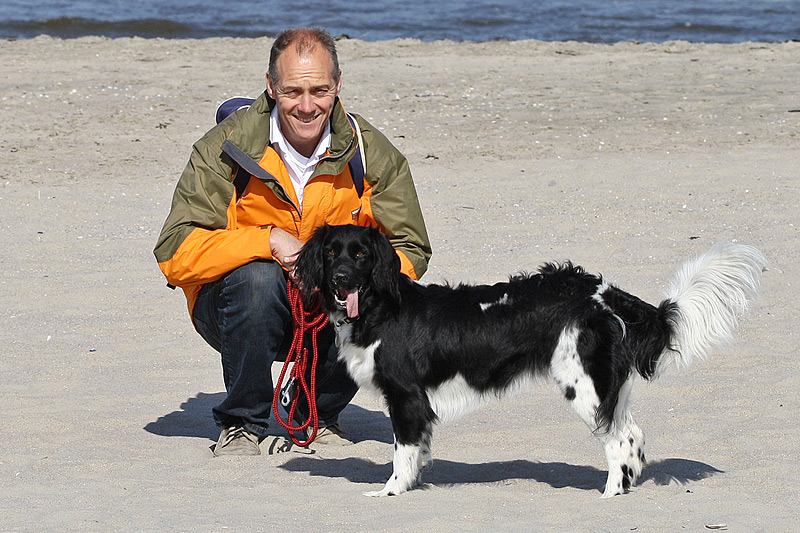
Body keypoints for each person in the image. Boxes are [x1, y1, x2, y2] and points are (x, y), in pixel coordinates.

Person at [153, 27, 431, 456]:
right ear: (270, 85)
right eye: (292, 91)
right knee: (257, 279)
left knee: (385, 293)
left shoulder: (369, 152)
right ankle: (243, 422)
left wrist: (354, 280)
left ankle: (315, 414)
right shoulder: (225, 148)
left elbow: (410, 246)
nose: (307, 106)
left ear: (338, 85)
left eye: (320, 90)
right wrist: (267, 241)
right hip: (235, 310)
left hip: (333, 311)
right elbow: (175, 251)